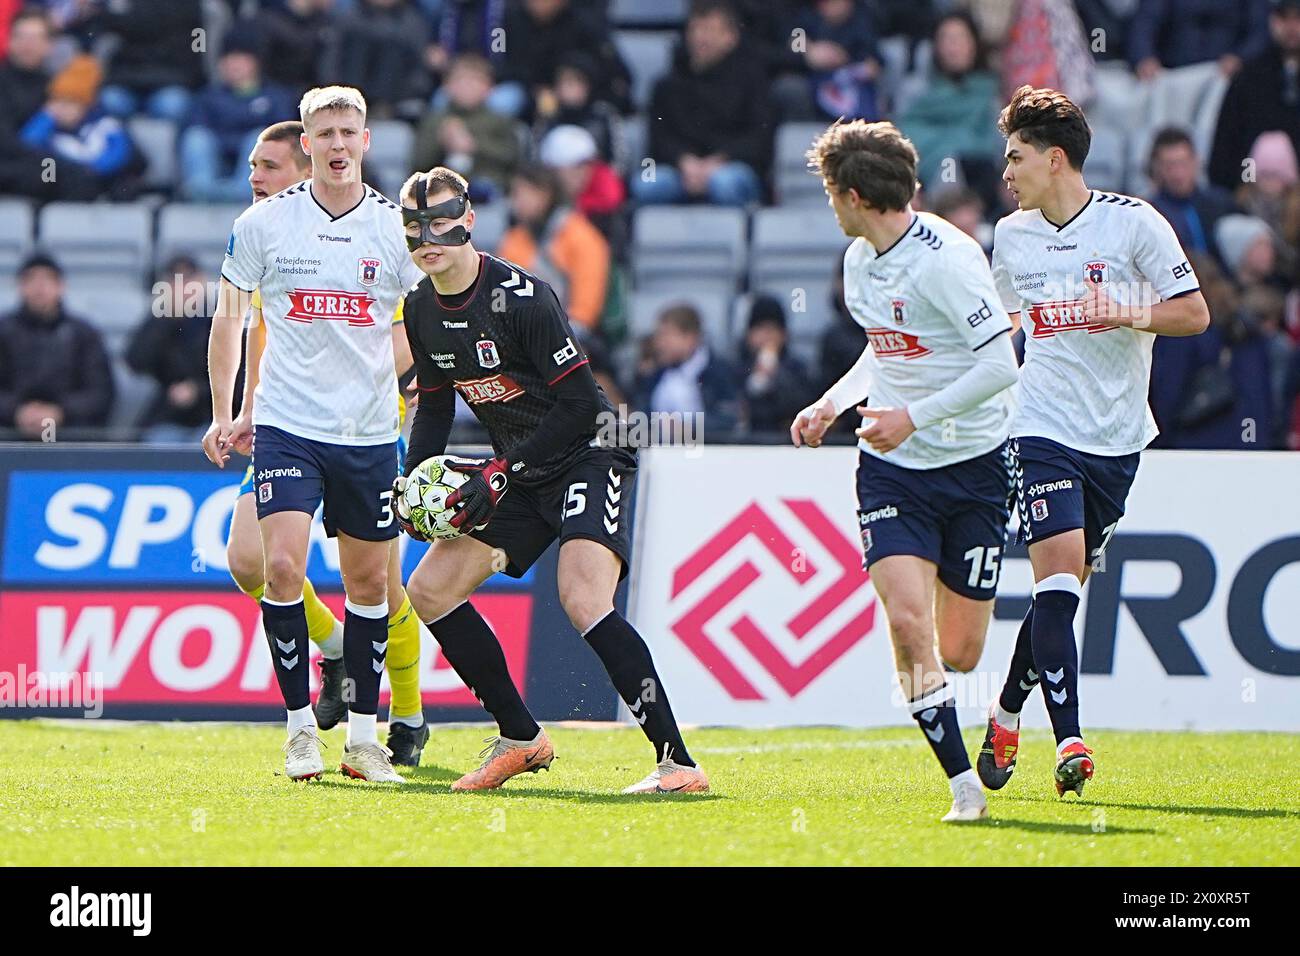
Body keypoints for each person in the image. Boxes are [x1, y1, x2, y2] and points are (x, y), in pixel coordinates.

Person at [393, 166, 708, 794]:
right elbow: (433, 405)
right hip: (521, 469)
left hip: (590, 452)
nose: (429, 236)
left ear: (470, 220)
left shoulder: (524, 296)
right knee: (428, 589)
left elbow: (583, 406)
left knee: (583, 598)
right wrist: (410, 484)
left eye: (441, 220)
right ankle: (520, 737)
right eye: (414, 226)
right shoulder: (420, 310)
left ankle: (678, 764)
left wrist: (502, 473)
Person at [982, 86, 1209, 798]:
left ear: (1055, 159)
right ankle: (1070, 737)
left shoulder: (1134, 225)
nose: (1007, 173)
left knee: (1064, 591)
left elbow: (1196, 314)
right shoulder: (1011, 235)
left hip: (1117, 438)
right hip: (1040, 426)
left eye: (1016, 158)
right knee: (1054, 577)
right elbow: (999, 330)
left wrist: (1129, 309)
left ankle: (1005, 710)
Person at [791, 119, 1020, 823]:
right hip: (893, 471)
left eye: (831, 193)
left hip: (976, 465)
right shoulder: (862, 259)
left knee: (960, 648)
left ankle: (997, 716)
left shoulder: (948, 260)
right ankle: (962, 786)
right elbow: (887, 352)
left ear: (855, 195)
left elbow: (1000, 365)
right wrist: (834, 403)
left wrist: (914, 416)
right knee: (909, 624)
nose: (830, 206)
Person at [204, 87, 425, 783]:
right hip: (287, 424)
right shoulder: (265, 224)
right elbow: (228, 318)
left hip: (365, 430)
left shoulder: (395, 230)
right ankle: (301, 731)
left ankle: (365, 738)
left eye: (348, 132)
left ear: (366, 140)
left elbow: (425, 326)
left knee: (369, 585)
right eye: (323, 132)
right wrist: (222, 411)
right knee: (278, 568)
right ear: (306, 143)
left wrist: (409, 390)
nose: (336, 144)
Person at [635, 0, 771, 206]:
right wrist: (685, 162)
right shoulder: (667, 85)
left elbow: (758, 140)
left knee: (724, 183)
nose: (701, 37)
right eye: (696, 29)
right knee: (647, 185)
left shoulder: (752, 84)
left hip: (731, 168)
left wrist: (716, 163)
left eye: (710, 30)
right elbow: (659, 139)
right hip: (680, 171)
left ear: (731, 37)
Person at [0, 253, 115, 439]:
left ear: (61, 286)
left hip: (70, 430)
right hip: (9, 428)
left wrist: (59, 412)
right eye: (31, 280)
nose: (39, 288)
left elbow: (100, 393)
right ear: (20, 287)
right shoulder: (4, 331)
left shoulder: (84, 334)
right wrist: (17, 412)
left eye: (47, 279)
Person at [179, 26, 297, 202]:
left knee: (259, 138)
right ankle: (200, 192)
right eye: (228, 59)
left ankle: (246, 194)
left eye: (240, 58)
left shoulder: (276, 97)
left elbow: (283, 138)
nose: (233, 64)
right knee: (196, 138)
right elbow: (196, 128)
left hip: (253, 173)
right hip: (216, 159)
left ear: (255, 62)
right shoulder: (208, 97)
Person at [497, 163, 610, 331]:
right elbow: (499, 299)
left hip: (571, 336)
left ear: (544, 195)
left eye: (520, 193)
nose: (515, 202)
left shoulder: (583, 238)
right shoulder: (514, 239)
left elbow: (584, 312)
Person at [127, 255, 222, 444]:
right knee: (159, 443)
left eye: (188, 279)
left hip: (214, 415)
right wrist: (166, 318)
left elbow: (238, 375)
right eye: (175, 280)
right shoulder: (161, 320)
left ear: (201, 281)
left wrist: (197, 390)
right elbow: (136, 360)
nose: (183, 287)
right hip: (169, 416)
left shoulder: (221, 319)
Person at [1209, 0, 1300, 191]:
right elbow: (1231, 143)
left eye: (1298, 18)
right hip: (1252, 184)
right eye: (1284, 18)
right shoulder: (1250, 77)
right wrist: (1245, 181)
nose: (1292, 27)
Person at [411, 53, 521, 203]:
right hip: (441, 191)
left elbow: (512, 158)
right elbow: (418, 162)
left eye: (475, 81)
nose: (467, 87)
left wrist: (474, 145)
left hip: (490, 187)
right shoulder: (434, 120)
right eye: (460, 80)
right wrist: (442, 141)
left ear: (488, 87)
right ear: (447, 86)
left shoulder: (500, 120)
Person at [635, 304, 742, 437]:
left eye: (666, 336)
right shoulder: (656, 374)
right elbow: (641, 416)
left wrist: (689, 428)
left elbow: (728, 418)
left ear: (690, 337)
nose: (659, 344)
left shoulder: (718, 372)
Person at [1147, 127, 1238, 268]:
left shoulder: (1221, 202)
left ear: (1195, 162)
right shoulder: (1151, 214)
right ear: (1157, 168)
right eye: (1170, 165)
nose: (1178, 174)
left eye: (1183, 163)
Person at [739, 295, 817, 433]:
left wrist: (776, 375)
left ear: (784, 334)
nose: (767, 336)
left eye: (773, 329)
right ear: (749, 334)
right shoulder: (736, 366)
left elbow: (803, 406)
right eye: (760, 329)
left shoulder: (797, 369)